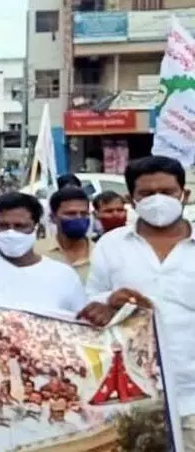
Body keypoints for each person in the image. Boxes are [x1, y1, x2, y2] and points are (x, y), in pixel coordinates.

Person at [78, 156, 195, 448]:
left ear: (185, 194)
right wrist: (112, 302)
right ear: (132, 198)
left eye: (167, 192)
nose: (157, 199)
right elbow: (91, 304)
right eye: (146, 194)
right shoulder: (111, 245)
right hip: (135, 398)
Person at [34, 187, 93, 283]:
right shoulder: (36, 252)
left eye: (84, 214)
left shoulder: (101, 253)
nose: (78, 218)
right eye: (71, 214)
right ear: (53, 218)